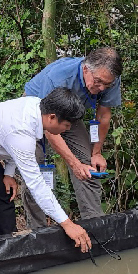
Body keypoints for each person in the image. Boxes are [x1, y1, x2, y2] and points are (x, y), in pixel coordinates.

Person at [0, 87, 92, 250]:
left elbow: (9, 141)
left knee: (5, 193)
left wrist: (9, 174)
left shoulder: (35, 107)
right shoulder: (21, 130)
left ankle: (8, 246)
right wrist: (67, 224)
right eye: (67, 125)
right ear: (52, 117)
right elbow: (36, 185)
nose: (67, 130)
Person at [22, 47, 122, 226]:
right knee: (33, 169)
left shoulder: (109, 77)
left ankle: (95, 226)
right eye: (98, 82)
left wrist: (96, 153)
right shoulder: (59, 77)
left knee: (88, 165)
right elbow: (49, 128)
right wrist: (73, 164)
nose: (101, 88)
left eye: (106, 85)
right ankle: (37, 233)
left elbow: (103, 116)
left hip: (71, 115)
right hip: (36, 113)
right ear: (85, 69)